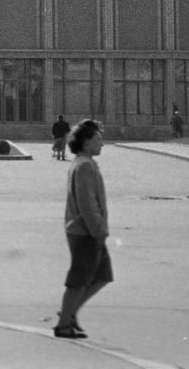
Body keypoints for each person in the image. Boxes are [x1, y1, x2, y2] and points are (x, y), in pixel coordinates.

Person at [53, 119, 112, 340]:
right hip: (84, 231)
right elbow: (87, 203)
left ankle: (71, 312)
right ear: (85, 143)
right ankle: (63, 324)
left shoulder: (85, 162)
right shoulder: (84, 166)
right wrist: (98, 229)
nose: (102, 144)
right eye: (98, 140)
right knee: (79, 280)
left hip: (90, 230)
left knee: (102, 276)